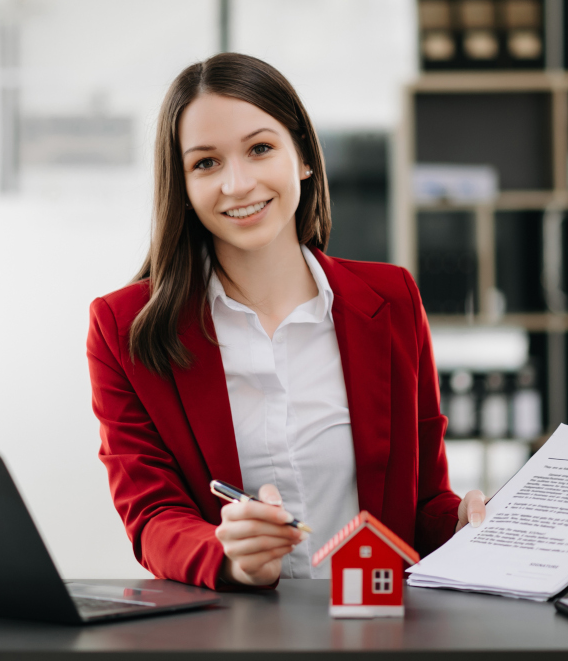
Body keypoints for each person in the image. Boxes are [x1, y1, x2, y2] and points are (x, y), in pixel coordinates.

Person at [87, 53, 485, 590]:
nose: (237, 184)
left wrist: (462, 522)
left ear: (302, 157)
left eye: (260, 149)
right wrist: (229, 554)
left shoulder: (392, 299)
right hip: (233, 634)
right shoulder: (123, 327)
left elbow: (420, 504)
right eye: (206, 163)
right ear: (181, 186)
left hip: (378, 622)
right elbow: (152, 516)